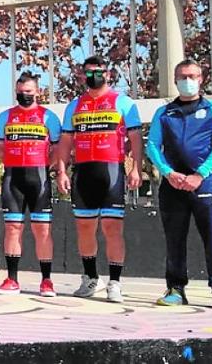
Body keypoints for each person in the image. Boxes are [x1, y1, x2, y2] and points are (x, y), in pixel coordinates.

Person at [147, 59, 212, 310]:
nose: (187, 81)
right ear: (175, 80)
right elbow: (152, 145)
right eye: (182, 76)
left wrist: (200, 175)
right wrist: (168, 173)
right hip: (172, 185)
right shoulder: (164, 113)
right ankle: (175, 288)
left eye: (192, 76)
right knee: (174, 239)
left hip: (204, 184)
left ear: (201, 78)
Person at [55, 57, 144, 304]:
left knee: (112, 228)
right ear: (82, 76)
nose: (93, 76)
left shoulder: (123, 103)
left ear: (107, 73)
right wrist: (61, 171)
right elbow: (65, 141)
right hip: (83, 172)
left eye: (98, 71)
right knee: (85, 227)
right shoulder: (74, 106)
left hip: (112, 171)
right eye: (88, 72)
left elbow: (136, 139)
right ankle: (91, 278)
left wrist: (137, 169)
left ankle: (115, 282)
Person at [0, 74, 62, 297]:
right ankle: (12, 279)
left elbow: (58, 149)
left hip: (39, 178)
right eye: (20, 92)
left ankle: (46, 281)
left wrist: (45, 165)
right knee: (13, 228)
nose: (24, 95)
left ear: (37, 92)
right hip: (13, 178)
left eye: (29, 92)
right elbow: (0, 149)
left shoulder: (48, 117)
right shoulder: (5, 117)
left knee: (42, 229)